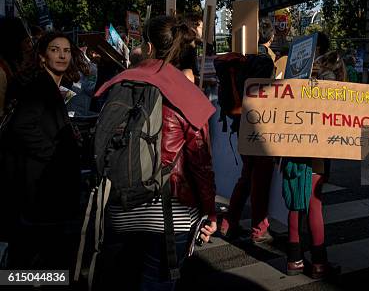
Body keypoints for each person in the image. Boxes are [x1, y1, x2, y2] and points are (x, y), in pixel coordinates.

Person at [94, 15, 217, 290]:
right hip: (169, 216)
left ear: (148, 47)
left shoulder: (121, 83)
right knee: (157, 283)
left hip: (119, 206)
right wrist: (210, 212)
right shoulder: (186, 93)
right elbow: (200, 161)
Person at [1, 30, 88, 271]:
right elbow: (23, 127)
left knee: (33, 257)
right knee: (38, 258)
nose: (62, 55)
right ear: (41, 56)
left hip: (40, 190)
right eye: (54, 50)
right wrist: (54, 155)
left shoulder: (45, 84)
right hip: (39, 190)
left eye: (66, 51)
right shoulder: (40, 85)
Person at [284, 32, 340, 279]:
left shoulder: (292, 76)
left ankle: (294, 259)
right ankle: (318, 262)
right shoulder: (327, 77)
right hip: (315, 150)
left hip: (292, 146)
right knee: (314, 204)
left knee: (296, 203)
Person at [220, 18, 276, 244]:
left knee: (247, 175)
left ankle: (228, 222)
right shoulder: (264, 60)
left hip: (241, 122)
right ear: (270, 37)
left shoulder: (243, 59)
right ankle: (259, 228)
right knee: (260, 178)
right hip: (259, 125)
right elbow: (265, 95)